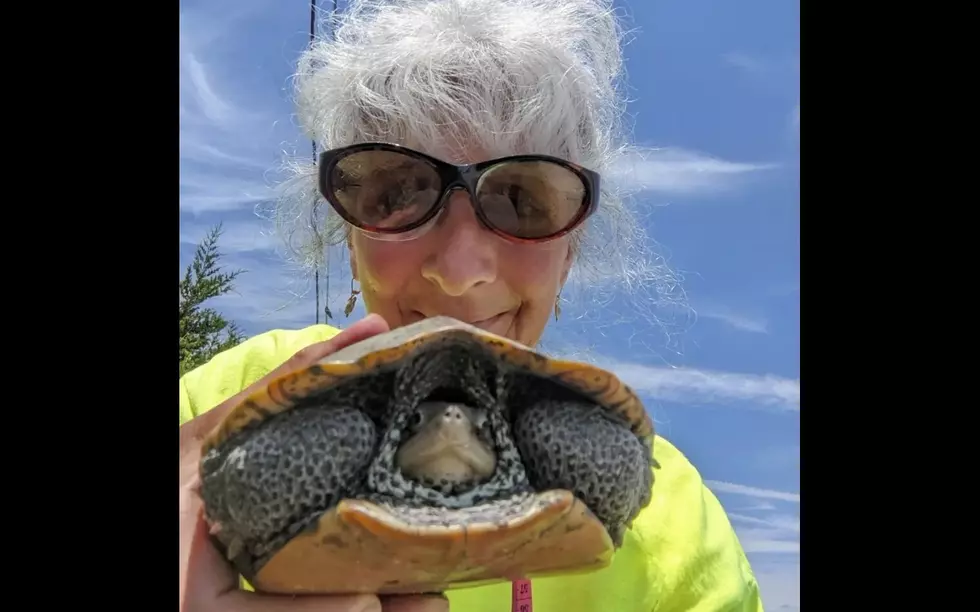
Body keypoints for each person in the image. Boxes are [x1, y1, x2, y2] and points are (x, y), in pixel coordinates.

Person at [178, 0, 766, 611]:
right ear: (349, 239)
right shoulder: (221, 403)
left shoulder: (673, 528)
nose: (459, 273)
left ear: (570, 250)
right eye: (395, 194)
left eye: (522, 200)